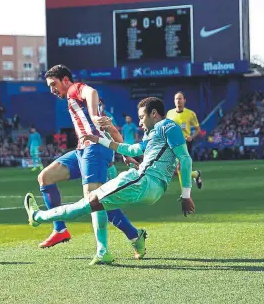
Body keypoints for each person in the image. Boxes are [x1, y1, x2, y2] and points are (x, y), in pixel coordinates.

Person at [24, 97, 195, 265]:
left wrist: (186, 195)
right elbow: (133, 148)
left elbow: (185, 159)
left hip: (142, 181)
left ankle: (39, 216)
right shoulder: (152, 133)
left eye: (142, 117)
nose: (140, 122)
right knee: (98, 205)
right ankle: (129, 240)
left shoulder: (167, 125)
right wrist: (100, 140)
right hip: (152, 189)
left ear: (154, 114)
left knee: (90, 201)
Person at [28, 65, 145, 265]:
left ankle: (103, 250)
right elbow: (111, 130)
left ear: (65, 80)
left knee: (94, 199)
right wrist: (123, 152)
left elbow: (92, 91)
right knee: (45, 177)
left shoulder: (75, 90)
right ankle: (60, 229)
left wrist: (92, 114)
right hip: (83, 150)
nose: (52, 90)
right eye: (49, 86)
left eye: (54, 84)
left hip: (95, 149)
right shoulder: (79, 103)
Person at [166, 91, 203, 191]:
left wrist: (192, 136)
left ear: (184, 100)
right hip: (173, 143)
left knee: (179, 168)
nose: (178, 101)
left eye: (180, 98)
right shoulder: (170, 113)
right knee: (180, 169)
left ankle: (185, 193)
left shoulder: (190, 114)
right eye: (176, 99)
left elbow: (198, 129)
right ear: (174, 101)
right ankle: (196, 174)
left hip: (185, 142)